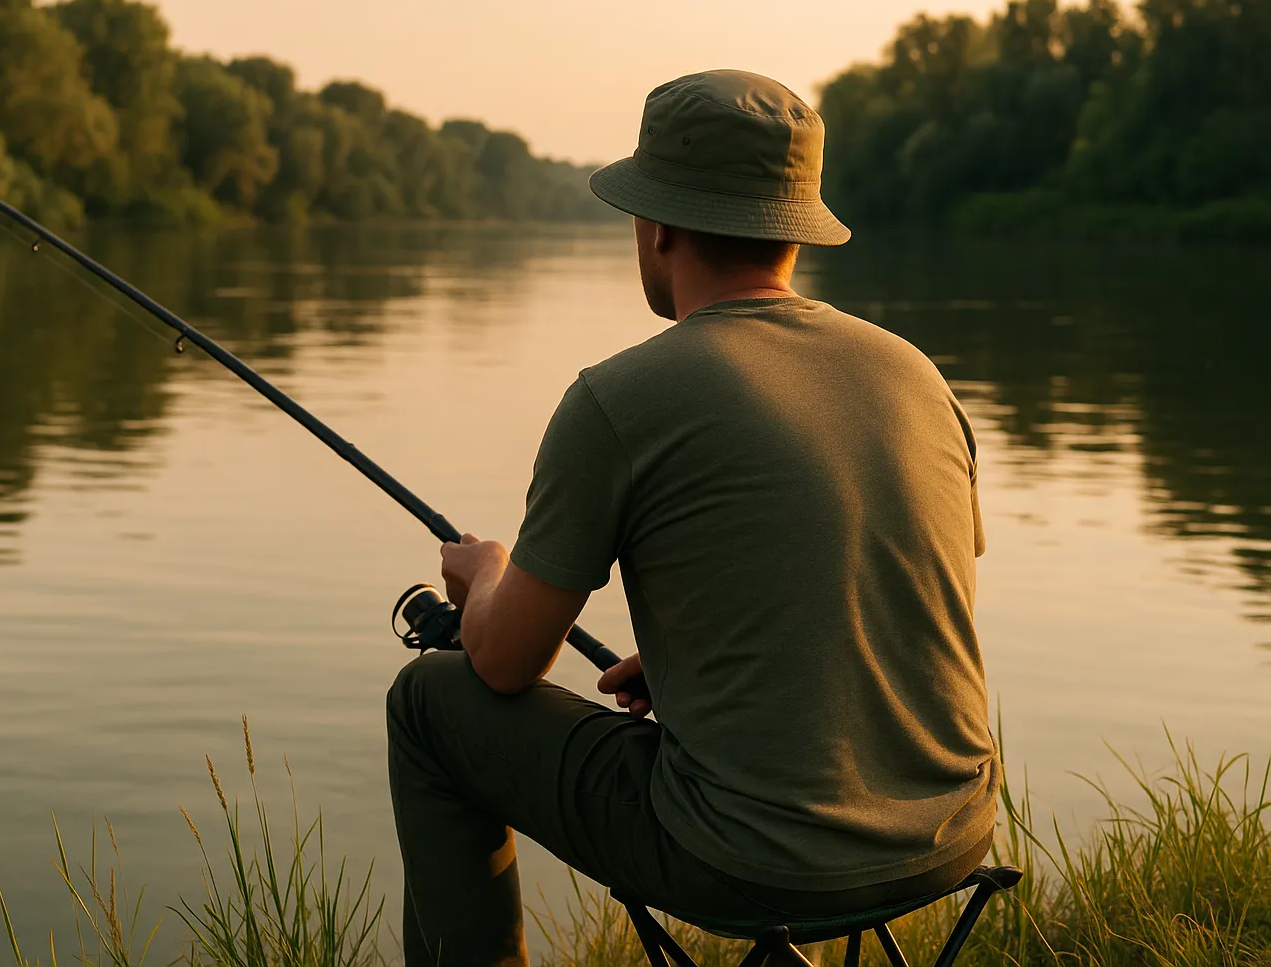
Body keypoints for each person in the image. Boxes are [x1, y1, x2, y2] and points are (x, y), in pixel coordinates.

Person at [386, 69, 1001, 966]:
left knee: (431, 702)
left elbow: (507, 662)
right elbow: (893, 595)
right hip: (953, 835)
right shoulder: (915, 375)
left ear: (658, 221)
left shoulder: (618, 400)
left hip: (746, 861)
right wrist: (702, 664)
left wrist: (485, 573)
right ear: (793, 227)